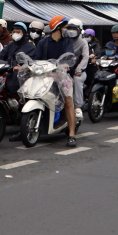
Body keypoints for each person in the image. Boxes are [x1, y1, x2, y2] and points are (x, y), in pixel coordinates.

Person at [31, 15, 78, 145]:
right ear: (57, 28)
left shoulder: (67, 41)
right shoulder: (43, 42)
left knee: (68, 101)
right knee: (31, 95)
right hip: (45, 76)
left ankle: (72, 134)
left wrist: (65, 64)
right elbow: (35, 58)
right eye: (65, 27)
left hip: (62, 76)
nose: (67, 30)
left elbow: (69, 56)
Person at [65, 18, 90, 121]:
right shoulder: (64, 40)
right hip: (64, 70)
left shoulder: (83, 42)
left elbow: (85, 57)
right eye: (69, 28)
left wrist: (78, 69)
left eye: (74, 28)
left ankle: (78, 107)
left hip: (79, 72)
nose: (71, 30)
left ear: (79, 29)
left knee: (77, 80)